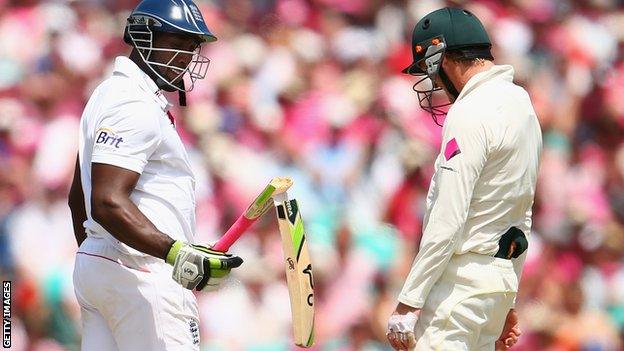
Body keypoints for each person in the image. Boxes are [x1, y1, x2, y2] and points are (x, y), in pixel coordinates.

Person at [68, 1, 243, 350]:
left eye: (191, 47)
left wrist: (98, 253)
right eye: (175, 42)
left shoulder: (108, 94)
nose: (184, 56)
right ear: (141, 37)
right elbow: (104, 202)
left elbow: (79, 200)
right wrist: (176, 252)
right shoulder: (133, 102)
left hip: (103, 267)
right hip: (143, 274)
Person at [385, 7, 542, 351]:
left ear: (443, 56)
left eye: (430, 68)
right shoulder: (522, 104)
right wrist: (507, 296)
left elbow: (448, 218)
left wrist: (409, 302)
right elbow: (521, 216)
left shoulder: (470, 110)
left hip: (459, 289)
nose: (435, 82)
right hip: (494, 289)